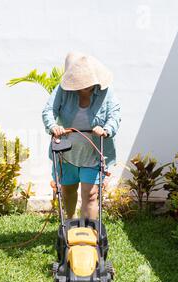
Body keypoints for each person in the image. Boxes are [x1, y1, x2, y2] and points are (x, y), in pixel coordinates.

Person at [42, 52, 121, 220]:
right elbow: (48, 110)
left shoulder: (106, 92)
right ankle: (70, 222)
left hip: (93, 153)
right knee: (68, 191)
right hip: (66, 154)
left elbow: (115, 114)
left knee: (91, 195)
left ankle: (89, 235)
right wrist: (53, 126)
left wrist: (106, 129)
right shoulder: (63, 90)